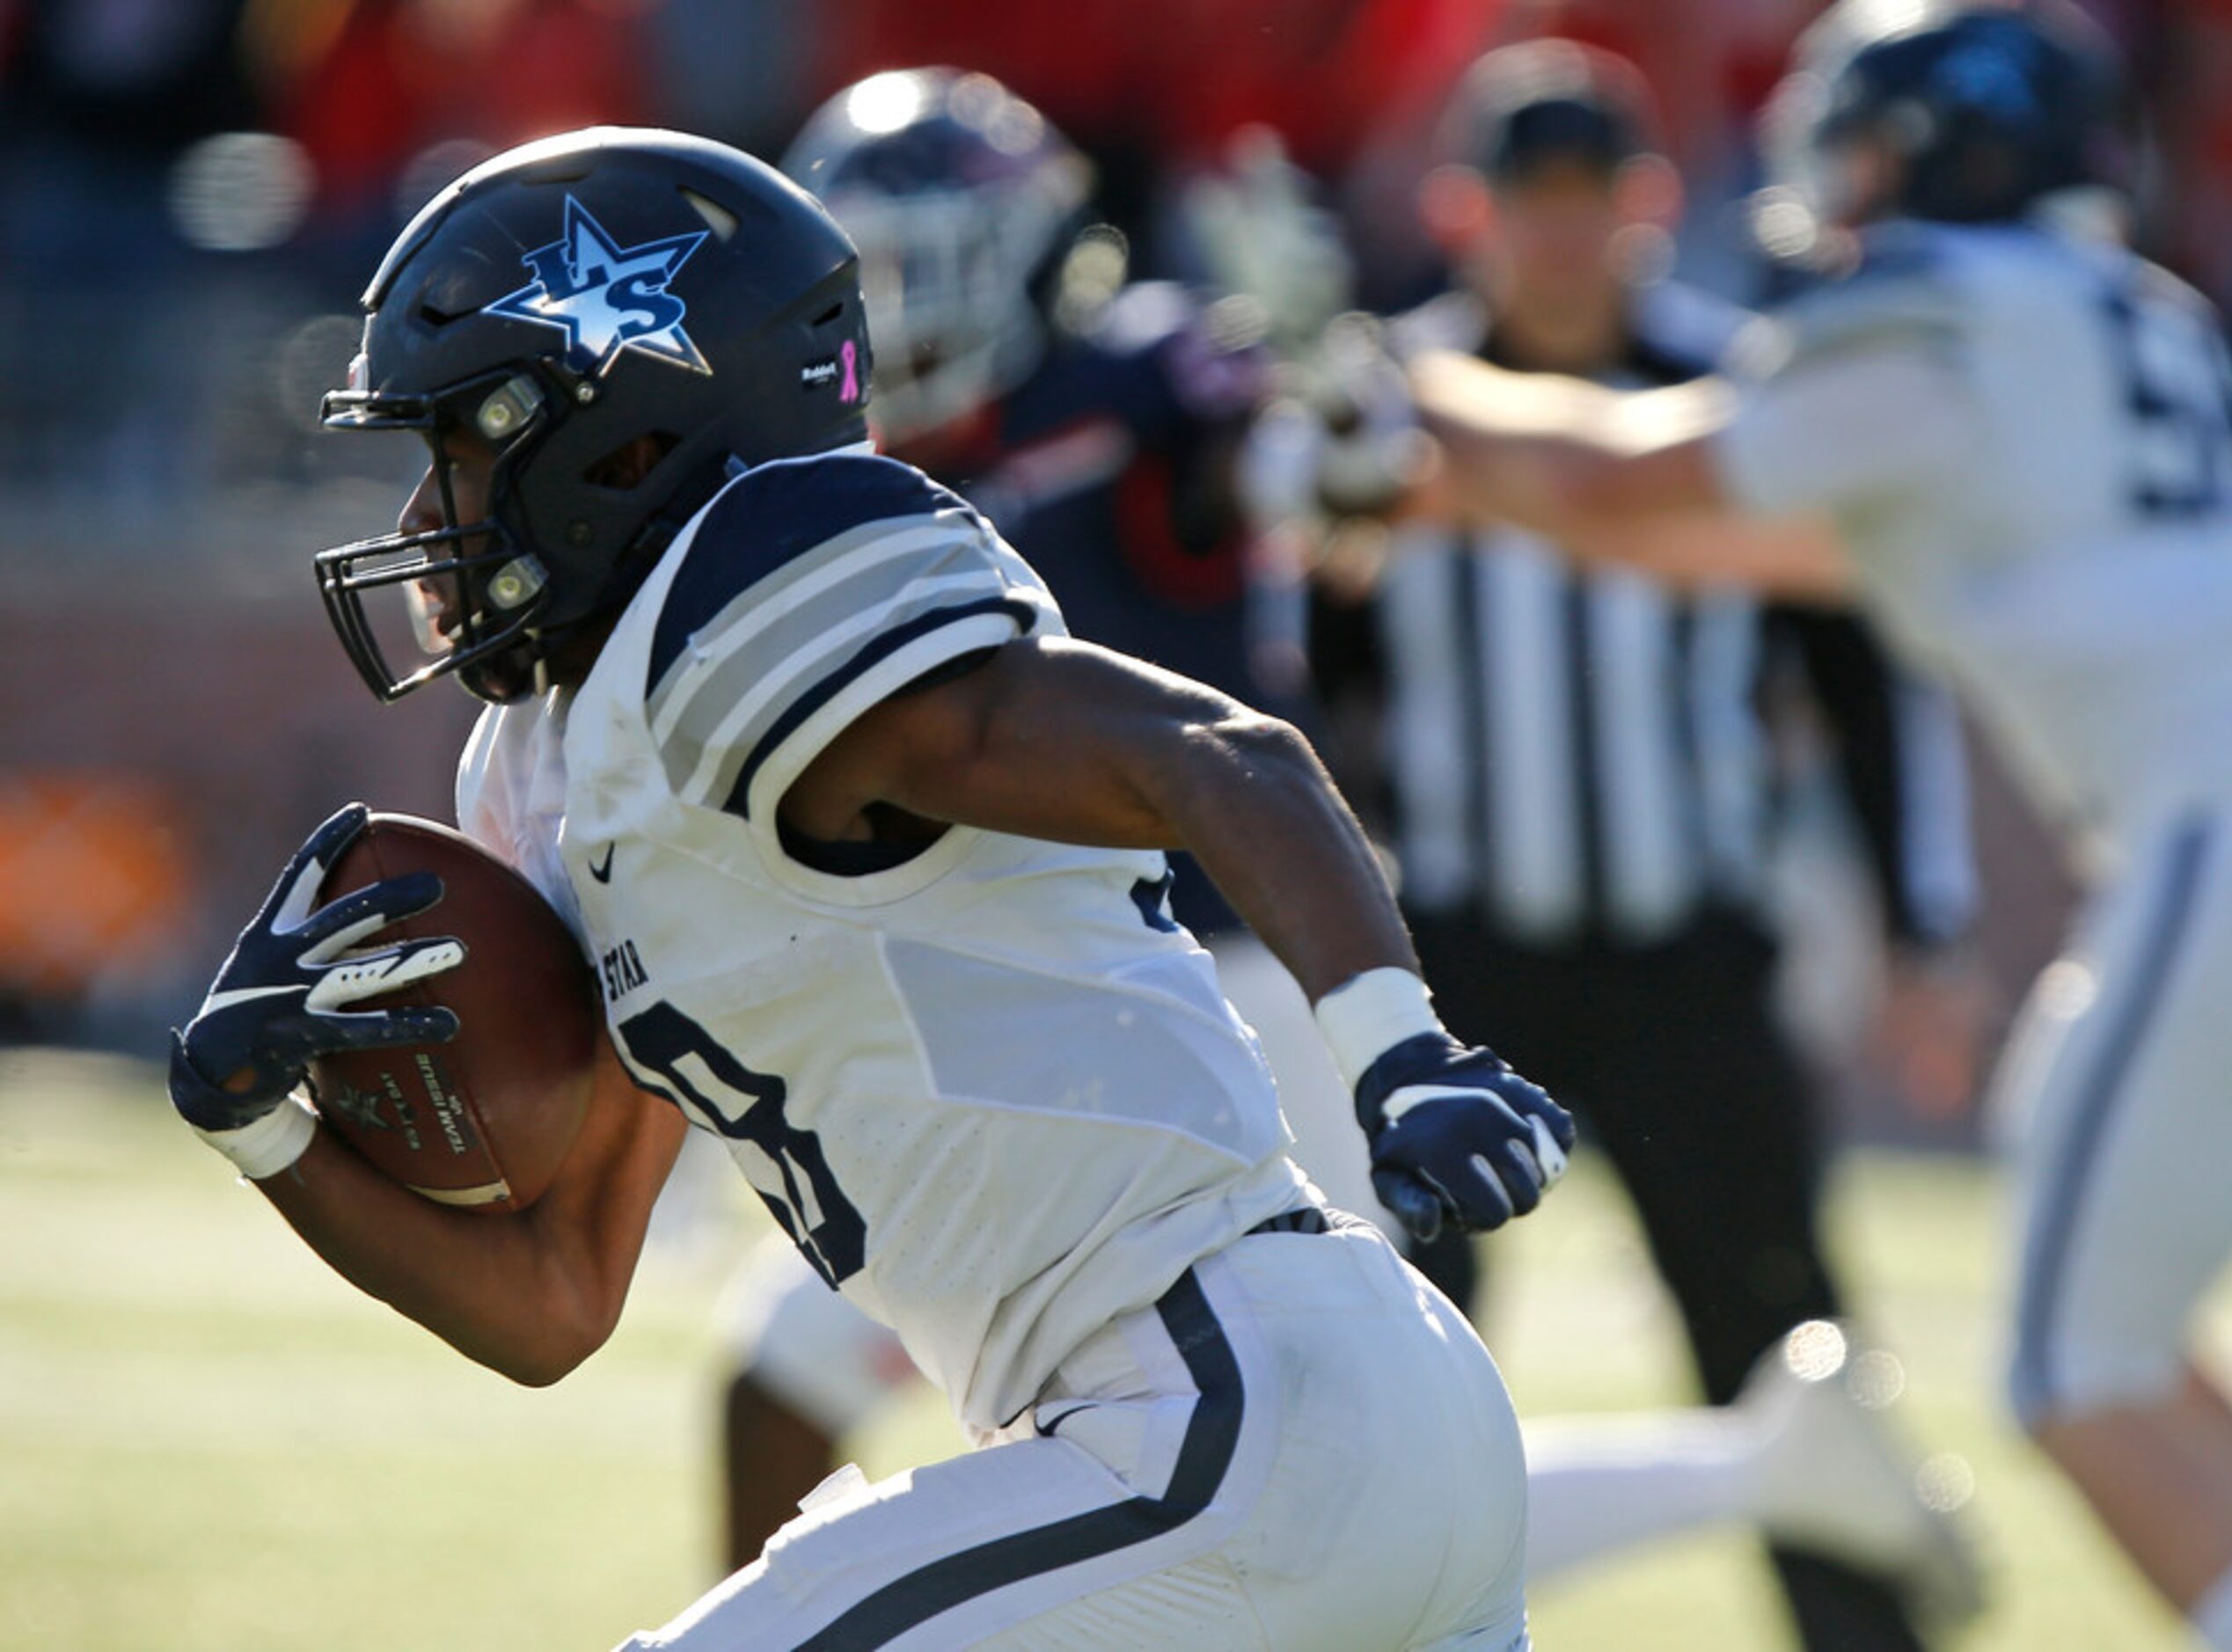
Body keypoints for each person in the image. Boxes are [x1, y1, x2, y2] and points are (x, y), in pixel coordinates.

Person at [165, 126, 1577, 1649]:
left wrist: (1400, 1051)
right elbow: (557, 1297)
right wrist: (268, 1132)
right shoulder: (551, 768)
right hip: (1291, 1425)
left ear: (621, 440)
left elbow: (1221, 751)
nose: (426, 521)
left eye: (462, 449)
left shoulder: (745, 586)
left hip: (1223, 1408)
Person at [1404, 5, 2232, 1649]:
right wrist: (1455, 480)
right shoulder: (2127, 313)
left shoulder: (1937, 318)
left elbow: (1639, 480)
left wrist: (1398, 386)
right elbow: (1734, 550)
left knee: (2075, 1367)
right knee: (2122, 1332)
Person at [1258, 40, 1982, 1650]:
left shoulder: (1740, 397)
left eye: (1593, 202)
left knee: (1782, 1328)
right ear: (1472, 213)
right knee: (1401, 1355)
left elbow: (1864, 685)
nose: (1565, 236)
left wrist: (1925, 931)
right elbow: (1312, 696)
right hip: (1458, 959)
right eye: (1535, 203)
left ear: (1650, 209)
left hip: (1689, 957)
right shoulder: (1374, 414)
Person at [710, 66, 1398, 1570]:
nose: (893, 306)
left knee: (1352, 1463)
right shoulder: (836, 474)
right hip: (1014, 993)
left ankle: (1750, 1473)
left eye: (918, 259)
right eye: (868, 269)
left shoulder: (1136, 376)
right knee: (784, 1369)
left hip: (1234, 973)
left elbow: (1329, 481)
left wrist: (1331, 384)